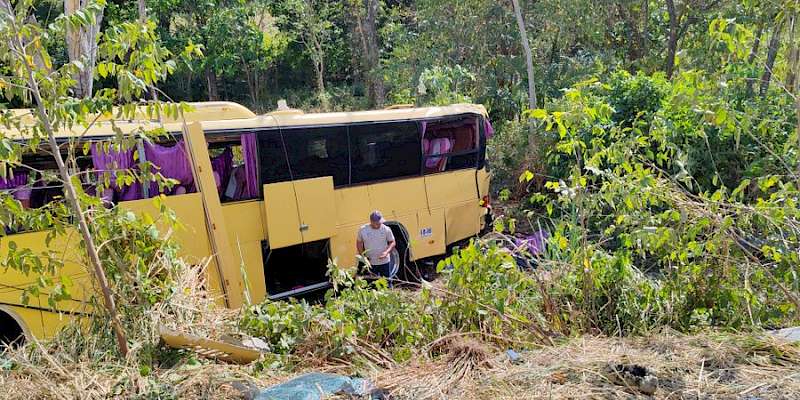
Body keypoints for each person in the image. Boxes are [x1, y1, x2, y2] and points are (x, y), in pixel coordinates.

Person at [356, 210, 397, 278]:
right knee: (372, 284)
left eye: (380, 222)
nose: (380, 224)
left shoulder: (386, 229)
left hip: (384, 262)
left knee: (386, 283)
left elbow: (392, 242)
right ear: (371, 222)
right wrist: (363, 256)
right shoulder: (363, 230)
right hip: (370, 263)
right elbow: (359, 242)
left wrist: (386, 252)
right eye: (377, 223)